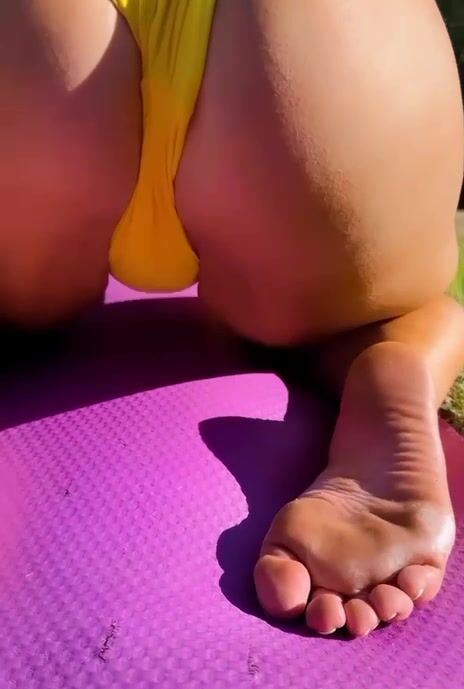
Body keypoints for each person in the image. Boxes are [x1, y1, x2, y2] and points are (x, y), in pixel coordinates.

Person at [2, 0, 464, 638]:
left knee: (17, 318)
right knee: (377, 312)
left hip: (30, 52)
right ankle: (391, 353)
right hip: (313, 52)